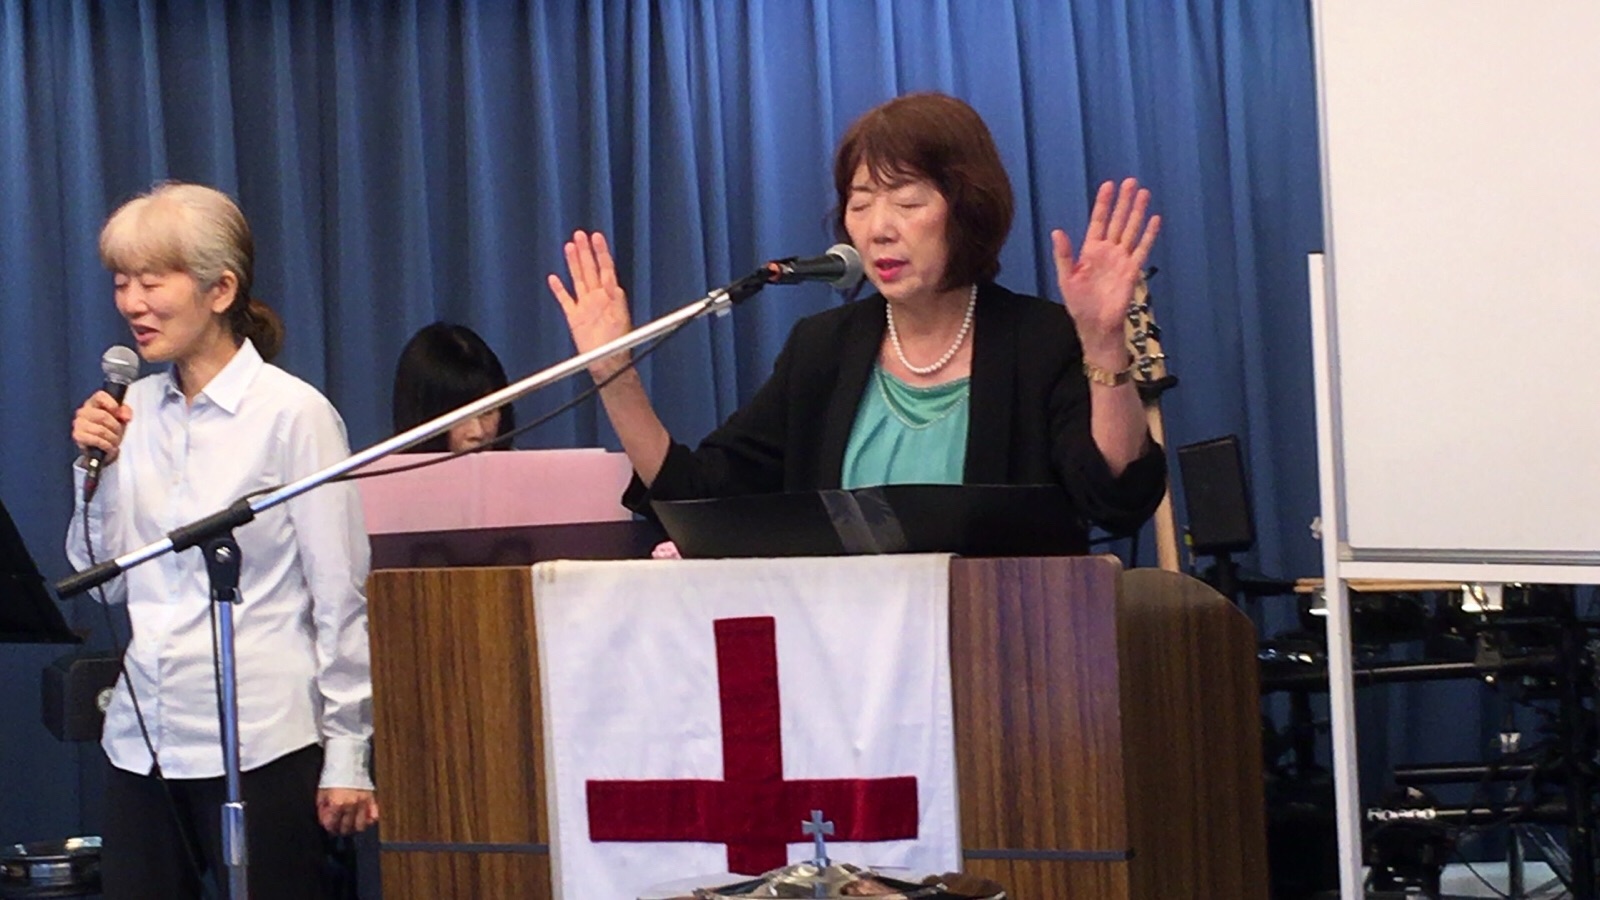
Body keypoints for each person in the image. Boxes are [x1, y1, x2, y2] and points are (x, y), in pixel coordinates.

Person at [547, 92, 1166, 547]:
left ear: (968, 210)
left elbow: (1115, 497)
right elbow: (701, 496)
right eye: (861, 203)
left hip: (1001, 651)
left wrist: (1103, 345)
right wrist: (614, 372)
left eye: (908, 201)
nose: (879, 228)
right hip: (845, 660)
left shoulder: (1040, 341)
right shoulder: (823, 349)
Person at [66, 182, 377, 900]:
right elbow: (100, 578)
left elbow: (340, 595)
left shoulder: (293, 414)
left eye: (152, 281)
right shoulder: (133, 410)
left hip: (264, 740)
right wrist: (95, 470)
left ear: (220, 289)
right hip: (145, 741)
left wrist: (348, 753)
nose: (132, 303)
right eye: (121, 282)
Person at [391, 321, 517, 453]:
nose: (477, 432)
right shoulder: (385, 465)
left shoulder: (525, 466)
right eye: (459, 415)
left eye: (487, 411)